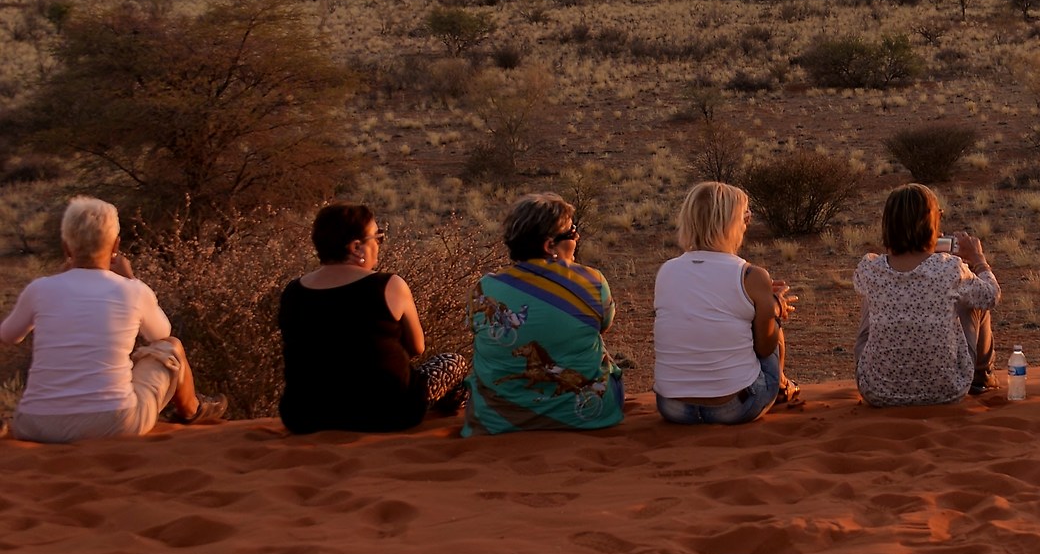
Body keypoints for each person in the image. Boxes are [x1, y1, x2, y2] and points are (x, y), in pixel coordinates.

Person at [0, 197, 221, 442]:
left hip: (35, 425)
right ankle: (192, 411)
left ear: (66, 247)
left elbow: (8, 336)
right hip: (114, 423)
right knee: (172, 347)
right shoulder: (132, 290)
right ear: (116, 245)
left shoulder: (39, 289)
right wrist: (132, 280)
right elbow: (161, 335)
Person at [278, 203, 468, 434]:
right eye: (376, 238)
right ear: (357, 247)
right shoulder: (389, 285)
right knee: (453, 362)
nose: (378, 244)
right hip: (385, 414)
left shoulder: (293, 291)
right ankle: (453, 415)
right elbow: (418, 347)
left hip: (304, 416)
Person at [461, 193, 624, 437]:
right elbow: (604, 325)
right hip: (588, 422)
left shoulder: (483, 289)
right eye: (571, 233)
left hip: (495, 423)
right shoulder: (593, 281)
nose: (577, 237)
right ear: (549, 246)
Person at [653, 181, 793, 426]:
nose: (747, 222)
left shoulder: (667, 271)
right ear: (729, 223)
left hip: (672, 407)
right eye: (745, 216)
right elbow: (764, 347)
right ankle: (782, 384)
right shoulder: (751, 275)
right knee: (771, 322)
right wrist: (772, 308)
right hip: (734, 408)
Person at [853, 184, 999, 407]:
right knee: (976, 295)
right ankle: (982, 377)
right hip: (947, 390)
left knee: (872, 296)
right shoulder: (951, 268)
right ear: (931, 223)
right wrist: (978, 260)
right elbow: (992, 296)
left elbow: (901, 277)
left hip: (877, 392)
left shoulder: (870, 268)